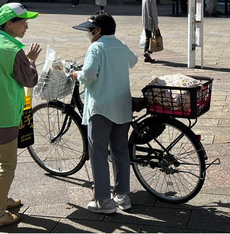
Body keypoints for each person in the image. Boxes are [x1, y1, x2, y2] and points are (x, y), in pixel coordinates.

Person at [0, 3, 42, 229]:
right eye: (23, 21)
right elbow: (30, 80)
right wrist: (31, 60)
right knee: (7, 164)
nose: (27, 26)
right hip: (3, 115)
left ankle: (1, 201)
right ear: (9, 23)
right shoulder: (13, 50)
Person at [71, 11, 138, 214]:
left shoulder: (96, 47)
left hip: (101, 108)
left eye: (90, 30)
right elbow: (133, 61)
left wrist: (76, 74)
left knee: (99, 153)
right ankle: (123, 196)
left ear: (98, 30)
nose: (88, 34)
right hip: (122, 106)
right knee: (120, 151)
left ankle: (103, 200)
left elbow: (89, 75)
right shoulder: (120, 45)